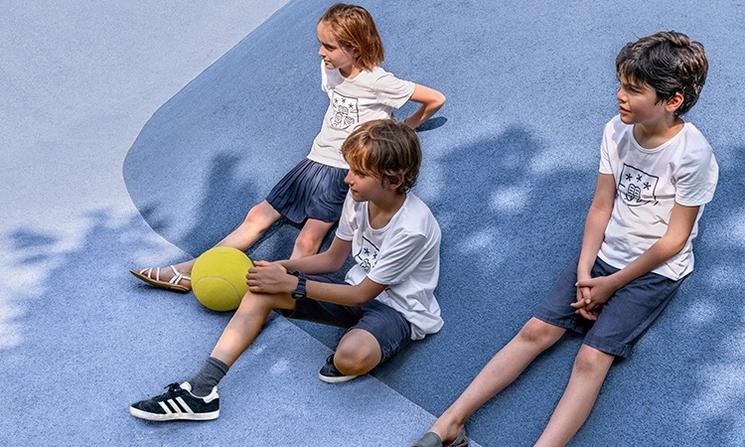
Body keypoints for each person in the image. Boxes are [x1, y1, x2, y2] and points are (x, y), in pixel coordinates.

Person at [412, 31, 718, 447]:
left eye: (633, 89)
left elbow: (675, 240)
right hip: (601, 258)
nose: (619, 96)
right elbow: (600, 207)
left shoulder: (693, 155)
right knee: (535, 331)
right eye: (621, 84)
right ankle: (450, 422)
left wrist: (611, 285)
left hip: (654, 269)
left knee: (591, 359)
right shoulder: (615, 131)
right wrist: (584, 270)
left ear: (672, 101)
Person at [130, 119, 443, 421]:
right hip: (351, 290)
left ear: (394, 179)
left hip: (398, 311)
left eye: (360, 173)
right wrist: (281, 268)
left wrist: (294, 285)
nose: (348, 179)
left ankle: (364, 340)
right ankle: (200, 392)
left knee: (348, 358)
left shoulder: (412, 228)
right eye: (350, 169)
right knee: (262, 289)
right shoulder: (358, 198)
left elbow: (363, 293)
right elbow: (333, 259)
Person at [130, 3, 445, 293]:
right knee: (257, 215)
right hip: (314, 159)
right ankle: (188, 271)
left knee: (309, 238)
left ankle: (280, 294)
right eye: (321, 44)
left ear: (355, 47)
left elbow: (435, 99)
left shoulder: (379, 81)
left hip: (343, 169)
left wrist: (406, 128)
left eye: (329, 47)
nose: (321, 53)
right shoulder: (332, 69)